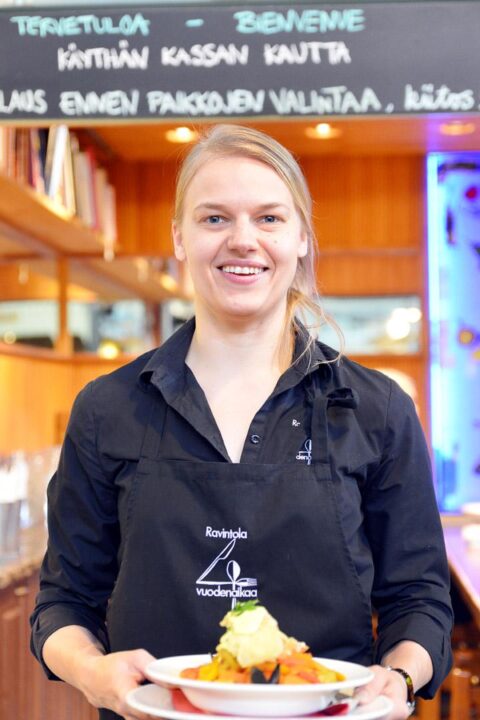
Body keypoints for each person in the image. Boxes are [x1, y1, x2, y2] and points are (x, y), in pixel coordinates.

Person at [30, 124, 453, 720]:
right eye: (215, 218)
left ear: (301, 237)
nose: (243, 241)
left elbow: (420, 599)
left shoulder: (376, 408)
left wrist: (400, 677)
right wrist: (91, 672)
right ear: (179, 237)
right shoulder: (107, 408)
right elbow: (64, 601)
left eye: (269, 218)